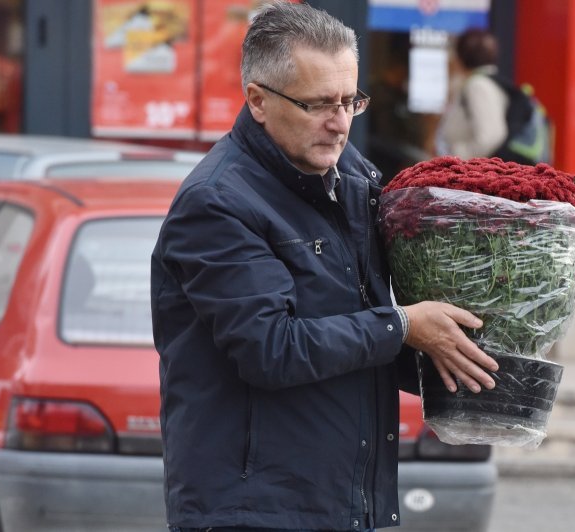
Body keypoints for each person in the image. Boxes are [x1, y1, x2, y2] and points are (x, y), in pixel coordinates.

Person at [150, 3, 498, 531]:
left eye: (349, 101)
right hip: (252, 512)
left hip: (344, 503)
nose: (340, 125)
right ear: (258, 100)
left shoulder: (354, 176)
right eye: (317, 105)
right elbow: (271, 350)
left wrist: (468, 348)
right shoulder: (217, 203)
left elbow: (366, 330)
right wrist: (404, 325)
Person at [436, 28, 509, 159]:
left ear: (461, 57)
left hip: (476, 174)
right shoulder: (483, 82)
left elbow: (491, 136)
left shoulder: (478, 85)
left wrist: (457, 158)